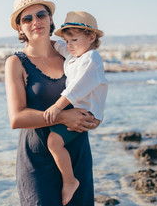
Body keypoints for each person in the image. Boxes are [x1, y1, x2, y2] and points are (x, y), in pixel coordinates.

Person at [5, 0, 100, 206]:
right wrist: (63, 117)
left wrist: (92, 117)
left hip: (77, 153)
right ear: (19, 27)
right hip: (37, 160)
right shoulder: (16, 63)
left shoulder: (73, 54)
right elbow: (16, 118)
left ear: (50, 19)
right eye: (27, 18)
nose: (35, 21)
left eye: (41, 15)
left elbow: (93, 88)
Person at [43, 11, 108, 205]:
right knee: (58, 142)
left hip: (89, 114)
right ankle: (70, 177)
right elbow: (58, 45)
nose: (69, 45)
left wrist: (57, 107)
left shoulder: (91, 58)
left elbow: (76, 88)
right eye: (67, 40)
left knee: (54, 142)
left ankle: (70, 181)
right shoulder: (74, 55)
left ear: (91, 37)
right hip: (79, 109)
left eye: (74, 40)